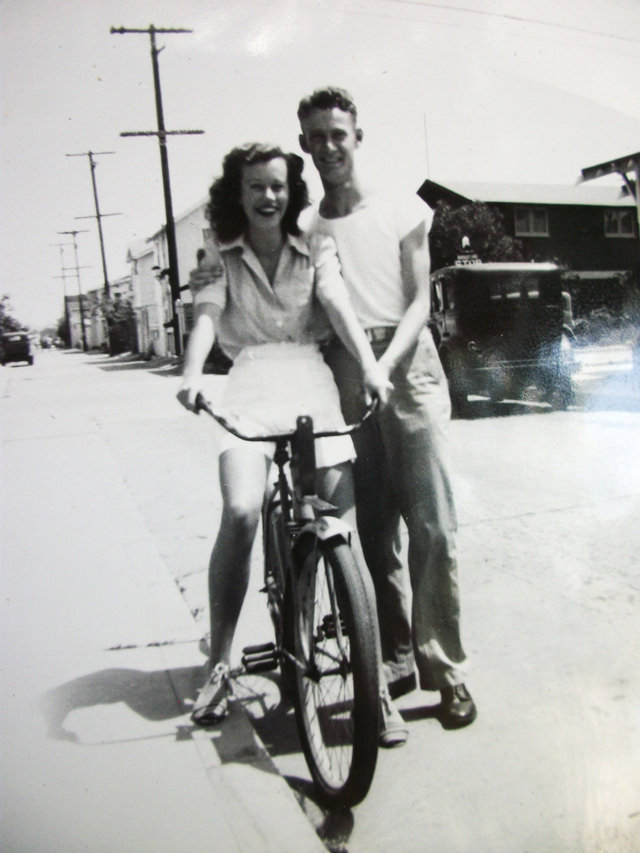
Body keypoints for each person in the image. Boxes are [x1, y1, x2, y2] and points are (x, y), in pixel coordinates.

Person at [177, 142, 408, 745]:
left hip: (311, 382)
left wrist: (372, 367)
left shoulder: (316, 248)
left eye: (278, 186)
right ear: (238, 193)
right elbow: (206, 315)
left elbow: (337, 306)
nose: (267, 197)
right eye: (255, 187)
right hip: (249, 386)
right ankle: (220, 664)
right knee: (242, 509)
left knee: (342, 528)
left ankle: (373, 688)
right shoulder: (218, 257)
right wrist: (193, 373)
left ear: (291, 192)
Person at [297, 87, 477, 729]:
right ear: (303, 145)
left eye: (337, 133)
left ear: (357, 136)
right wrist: (363, 368)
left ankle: (445, 668)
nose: (327, 146)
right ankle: (395, 659)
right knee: (371, 532)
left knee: (432, 523)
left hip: (410, 362)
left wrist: (385, 366)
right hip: (347, 368)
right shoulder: (309, 226)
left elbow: (420, 302)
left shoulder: (403, 206)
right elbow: (326, 296)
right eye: (315, 136)